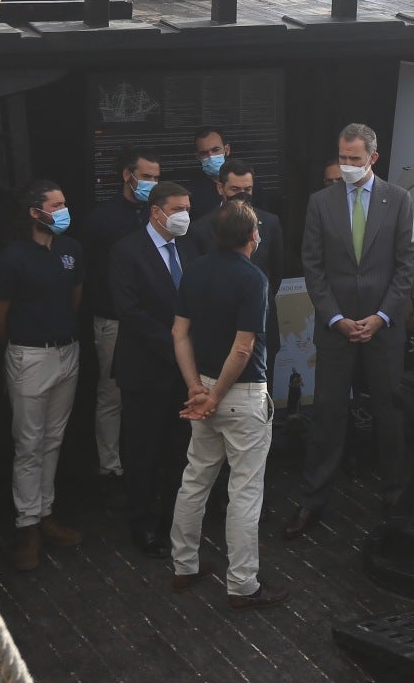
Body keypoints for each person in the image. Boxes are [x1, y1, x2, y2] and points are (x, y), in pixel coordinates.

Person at [285, 122, 414, 538]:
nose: (347, 166)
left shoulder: (398, 200)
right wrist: (336, 318)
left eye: (354, 160)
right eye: (342, 158)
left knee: (391, 415)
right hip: (335, 327)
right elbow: (313, 266)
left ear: (373, 159)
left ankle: (397, 497)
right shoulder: (320, 203)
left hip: (384, 326)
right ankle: (312, 501)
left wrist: (381, 317)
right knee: (327, 414)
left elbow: (406, 266)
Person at [168, 200, 289, 609]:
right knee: (245, 493)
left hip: (203, 387)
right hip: (241, 395)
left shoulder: (196, 269)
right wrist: (215, 396)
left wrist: (197, 390)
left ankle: (183, 566)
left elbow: (179, 333)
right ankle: (242, 585)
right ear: (253, 235)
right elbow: (244, 348)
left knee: (195, 479)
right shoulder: (253, 278)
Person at [0, 180, 84, 572]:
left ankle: (45, 512)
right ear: (35, 213)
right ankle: (26, 525)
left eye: (64, 204)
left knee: (54, 438)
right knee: (28, 442)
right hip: (29, 356)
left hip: (67, 352)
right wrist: (26, 343)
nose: (63, 211)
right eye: (55, 205)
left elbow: (75, 297)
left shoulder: (71, 250)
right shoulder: (12, 259)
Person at [110, 182, 201, 555]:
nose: (184, 216)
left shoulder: (191, 247)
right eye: (178, 209)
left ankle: (174, 517)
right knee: (144, 450)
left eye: (188, 208)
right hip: (147, 368)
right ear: (156, 211)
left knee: (181, 450)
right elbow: (129, 312)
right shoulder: (126, 251)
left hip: (186, 373)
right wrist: (177, 347)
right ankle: (143, 524)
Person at [81, 147, 162, 497]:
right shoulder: (102, 219)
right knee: (111, 394)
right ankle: (110, 467)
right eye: (147, 176)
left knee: (153, 391)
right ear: (128, 175)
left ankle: (148, 462)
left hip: (153, 320)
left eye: (157, 178)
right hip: (114, 319)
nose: (152, 183)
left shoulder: (157, 214)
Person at [216, 157, 285, 361]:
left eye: (248, 189)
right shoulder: (203, 226)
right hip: (220, 325)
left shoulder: (270, 223)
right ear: (221, 187)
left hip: (262, 322)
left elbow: (276, 273)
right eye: (235, 189)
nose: (242, 196)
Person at [189, 126, 234, 220]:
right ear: (198, 157)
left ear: (227, 150)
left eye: (215, 150)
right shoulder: (191, 192)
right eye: (204, 153)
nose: (211, 156)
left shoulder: (247, 182)